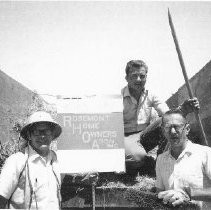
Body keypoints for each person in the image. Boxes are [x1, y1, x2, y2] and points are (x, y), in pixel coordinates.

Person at [0, 111, 98, 209]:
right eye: (37, 132)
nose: (42, 136)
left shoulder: (56, 161)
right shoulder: (16, 161)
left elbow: (74, 178)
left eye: (47, 131)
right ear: (29, 135)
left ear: (52, 135)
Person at [122, 59, 199, 170]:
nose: (138, 80)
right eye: (134, 76)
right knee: (136, 159)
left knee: (167, 121)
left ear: (146, 77)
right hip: (126, 137)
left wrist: (183, 109)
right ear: (127, 78)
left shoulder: (151, 94)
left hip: (145, 135)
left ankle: (161, 163)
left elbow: (167, 114)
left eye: (142, 76)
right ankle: (135, 159)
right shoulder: (118, 97)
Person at [156, 109, 211, 209]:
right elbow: (160, 192)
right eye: (168, 127)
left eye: (177, 126)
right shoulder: (161, 160)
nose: (172, 131)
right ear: (163, 131)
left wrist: (188, 193)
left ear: (187, 129)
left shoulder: (205, 154)